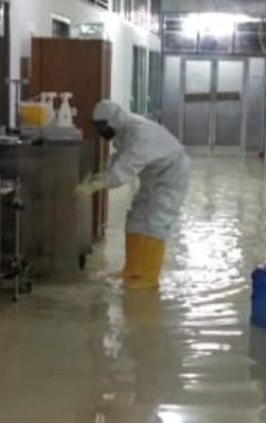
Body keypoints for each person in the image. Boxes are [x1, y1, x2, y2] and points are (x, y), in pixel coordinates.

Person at [75, 100, 191, 289]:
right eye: (98, 126)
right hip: (153, 173)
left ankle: (150, 277)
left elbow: (125, 169)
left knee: (156, 220)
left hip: (172, 172)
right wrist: (101, 174)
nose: (101, 131)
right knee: (136, 217)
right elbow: (120, 158)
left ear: (113, 120)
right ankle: (133, 269)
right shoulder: (123, 130)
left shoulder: (139, 134)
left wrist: (99, 183)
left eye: (103, 126)